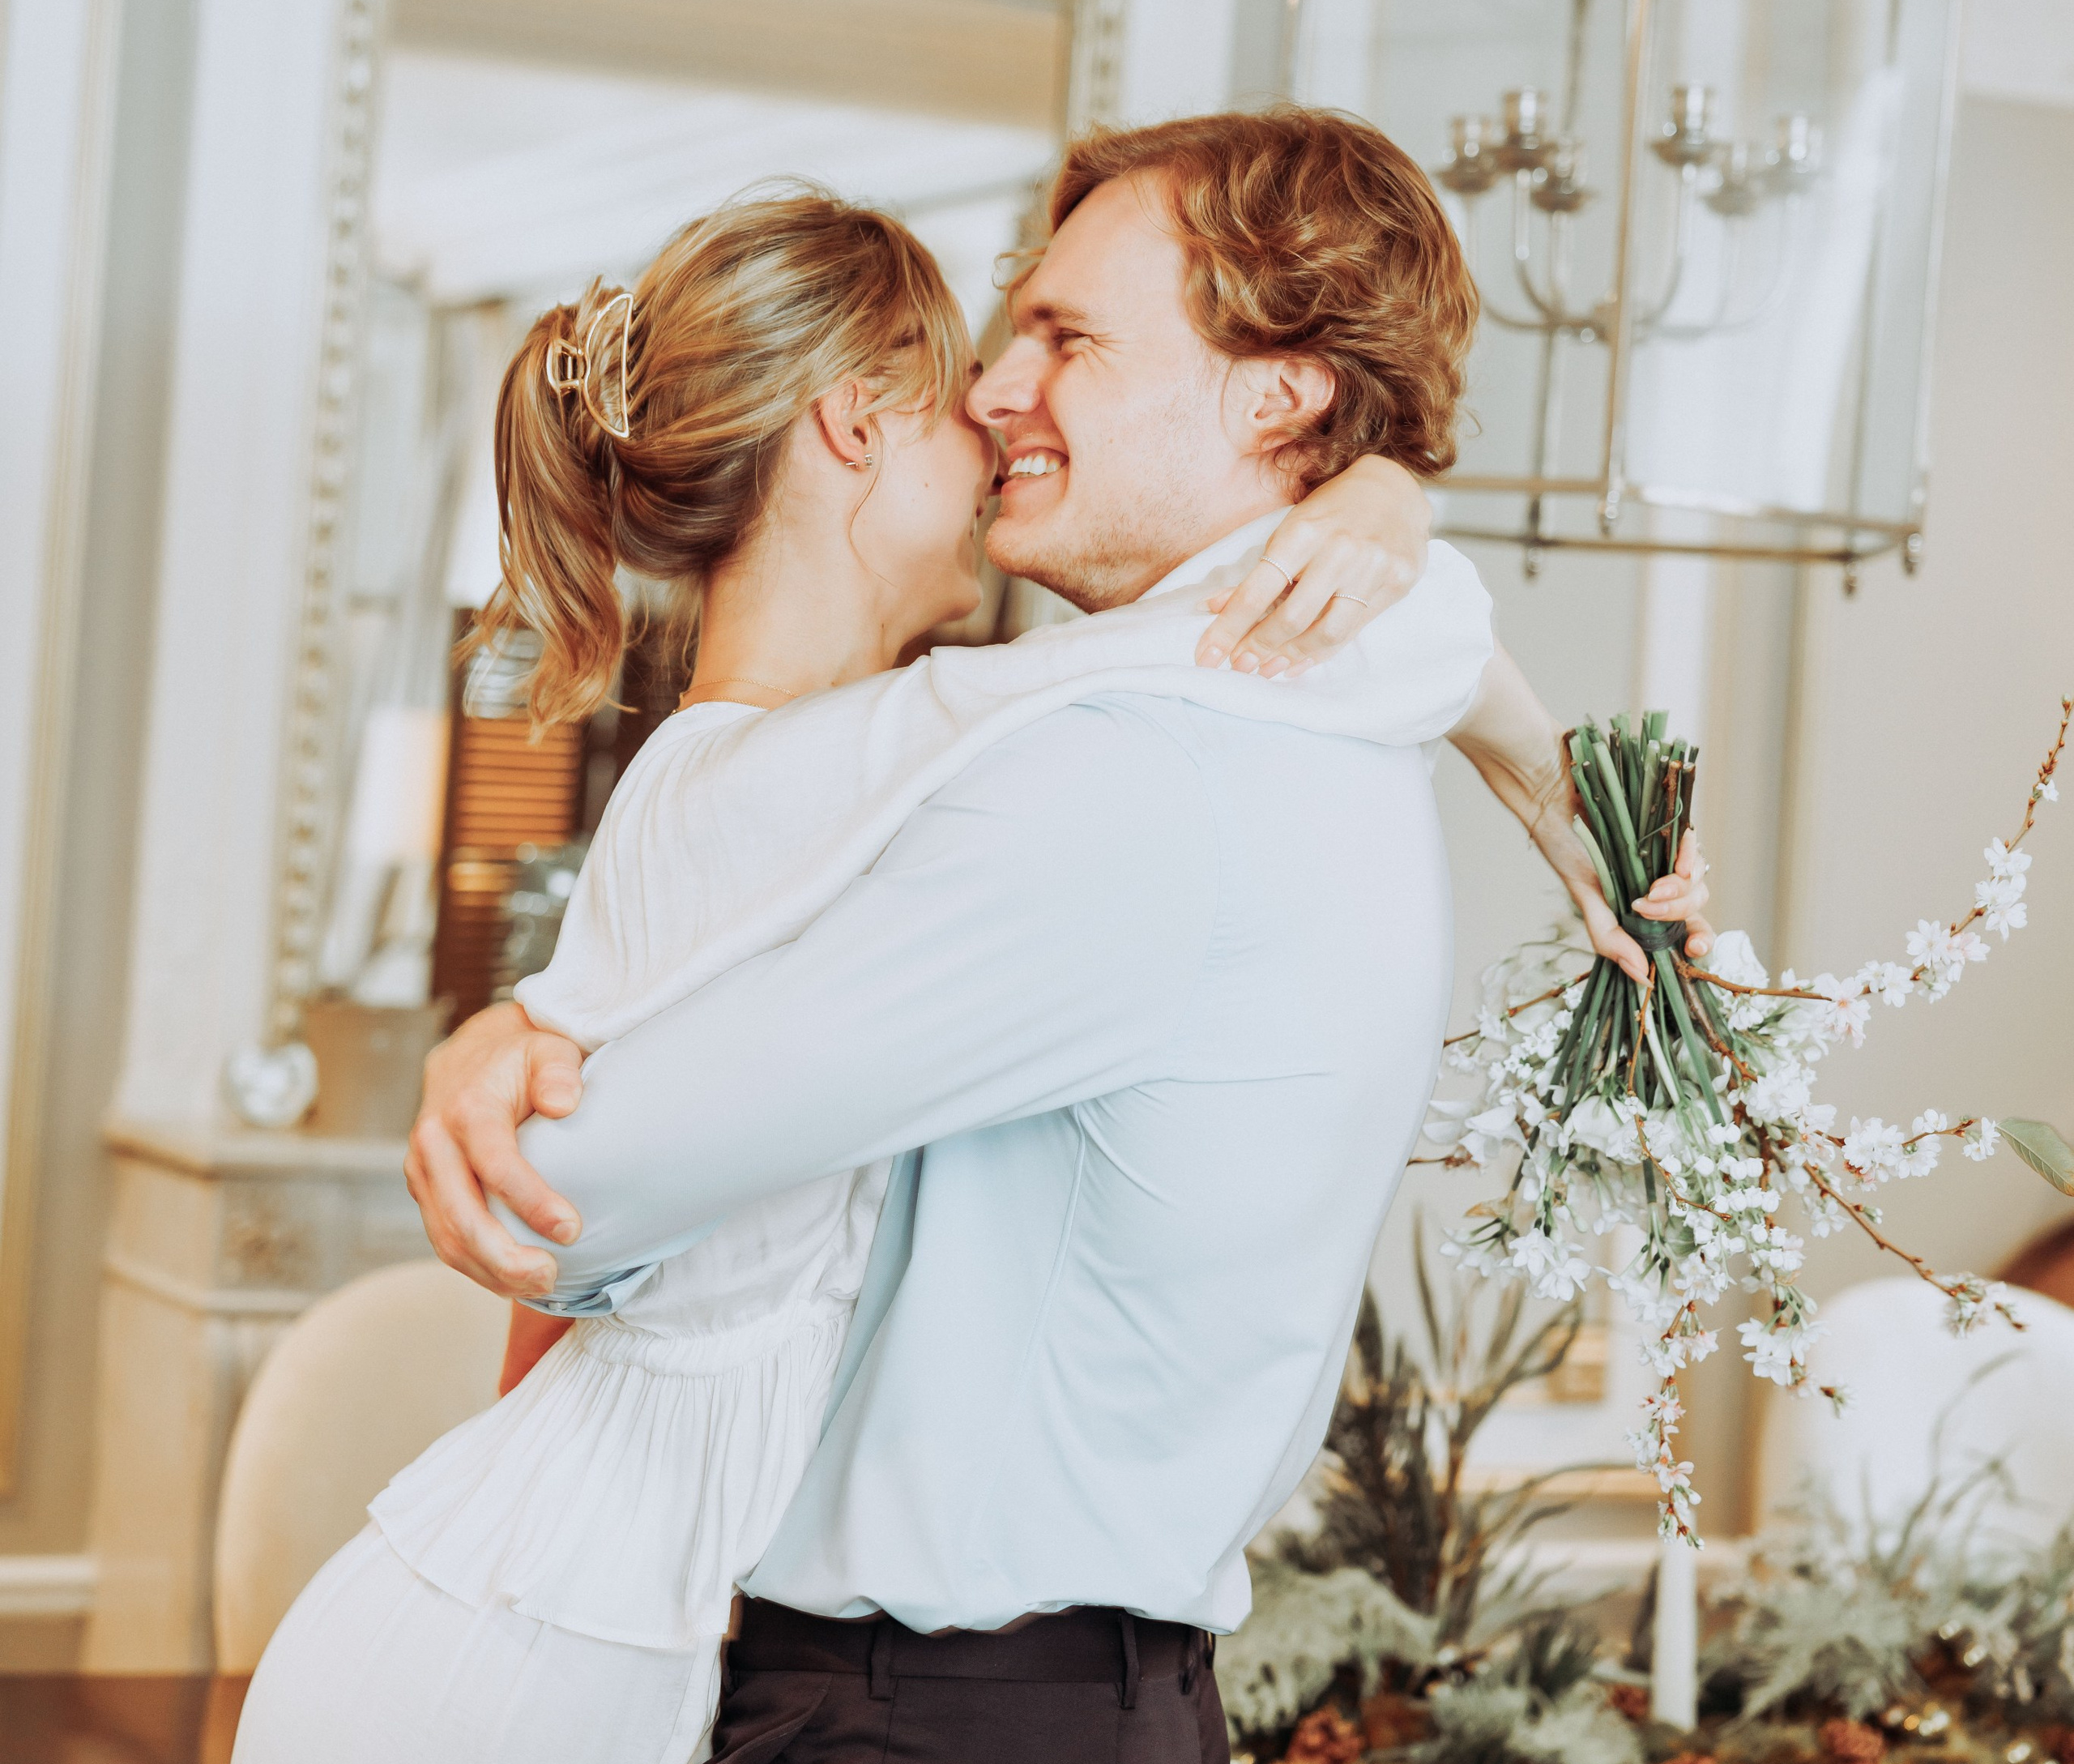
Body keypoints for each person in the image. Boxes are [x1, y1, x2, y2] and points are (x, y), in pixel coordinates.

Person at [402, 111, 1714, 1764]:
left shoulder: (1136, 770)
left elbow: (574, 1200)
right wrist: (1437, 590)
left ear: (1276, 394)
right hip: (1027, 1694)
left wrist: (503, 1060)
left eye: (1066, 335)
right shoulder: (1265, 717)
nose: (993, 389)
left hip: (926, 1713)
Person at [232, 180, 1477, 1764]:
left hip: (627, 1630)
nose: (1001, 421)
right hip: (529, 1638)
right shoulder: (864, 752)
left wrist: (1376, 507)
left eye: (1060, 337)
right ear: (851, 427)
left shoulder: (874, 766)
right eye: (972, 384)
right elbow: (565, 1220)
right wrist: (1381, 524)